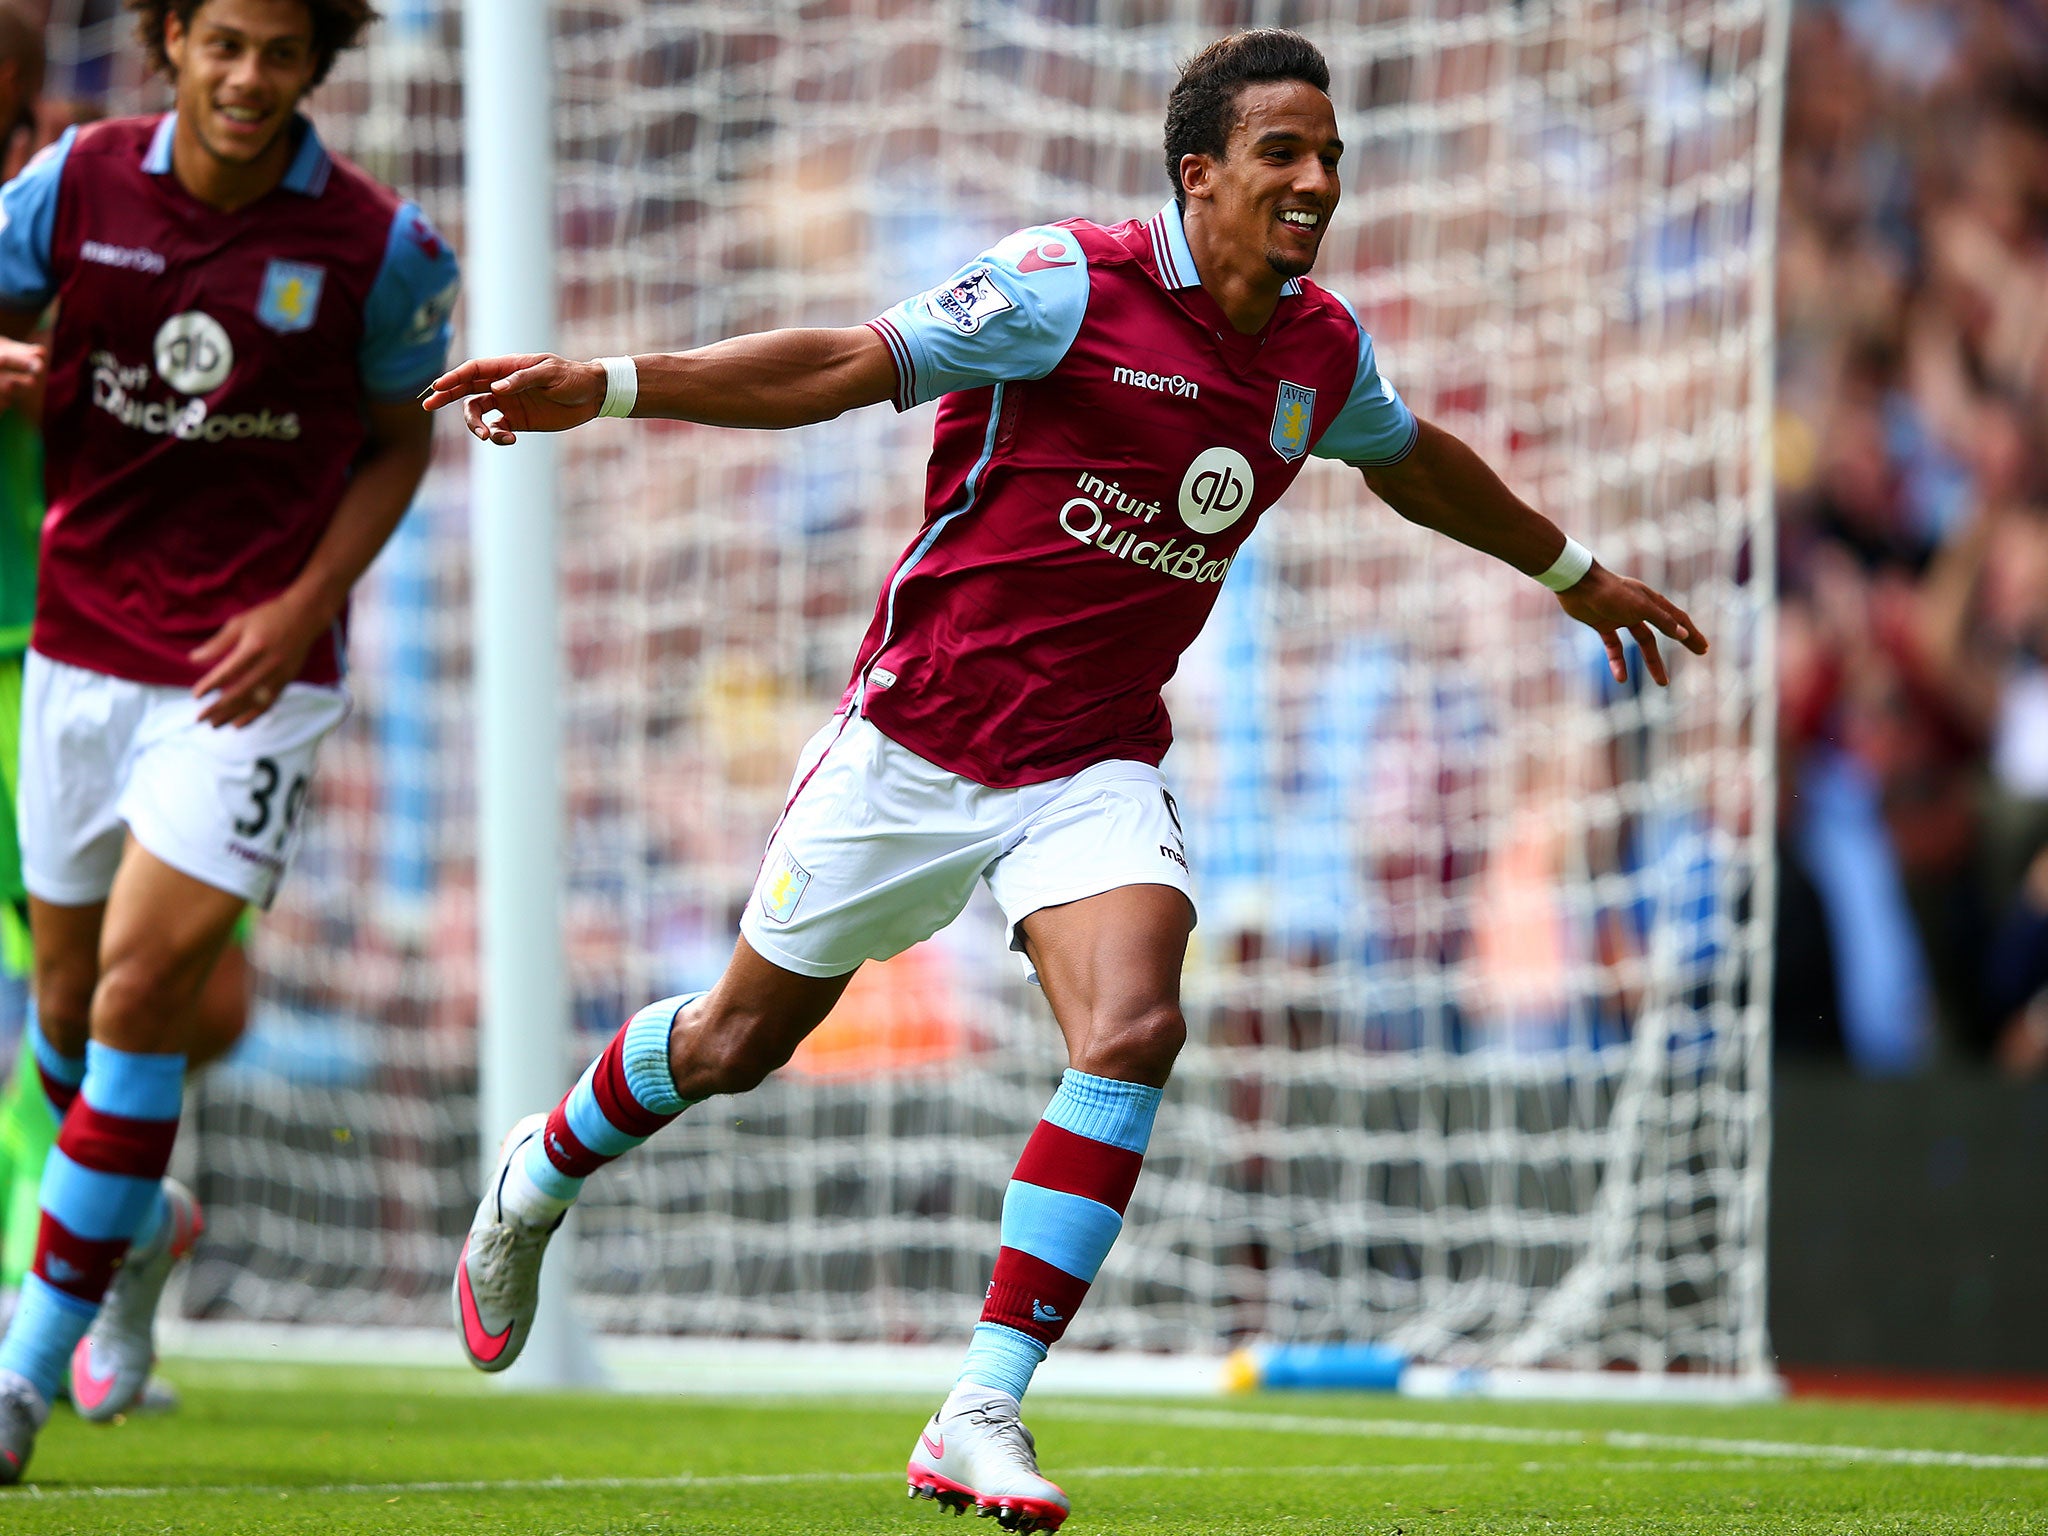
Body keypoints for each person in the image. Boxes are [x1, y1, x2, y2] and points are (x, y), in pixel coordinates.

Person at [428, 29, 1702, 1533]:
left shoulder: (1318, 353)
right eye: (1284, 153)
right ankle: (539, 1174)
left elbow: (1411, 459)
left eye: (1332, 156)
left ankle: (981, 1407)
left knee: (1140, 1022)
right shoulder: (1062, 287)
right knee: (728, 1047)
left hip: (1092, 759)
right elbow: (847, 361)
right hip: (916, 742)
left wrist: (1571, 571)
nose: (1317, 181)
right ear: (1200, 171)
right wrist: (619, 385)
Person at [0, 0, 458, 1484]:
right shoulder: (74, 186)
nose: (249, 78)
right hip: (73, 656)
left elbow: (401, 438)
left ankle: (17, 1379)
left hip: (245, 677)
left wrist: (305, 601)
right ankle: (135, 1226)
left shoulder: (380, 249)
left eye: (279, 51)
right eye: (224, 45)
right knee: (67, 1016)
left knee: (141, 994)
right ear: (174, 42)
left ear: (314, 62)